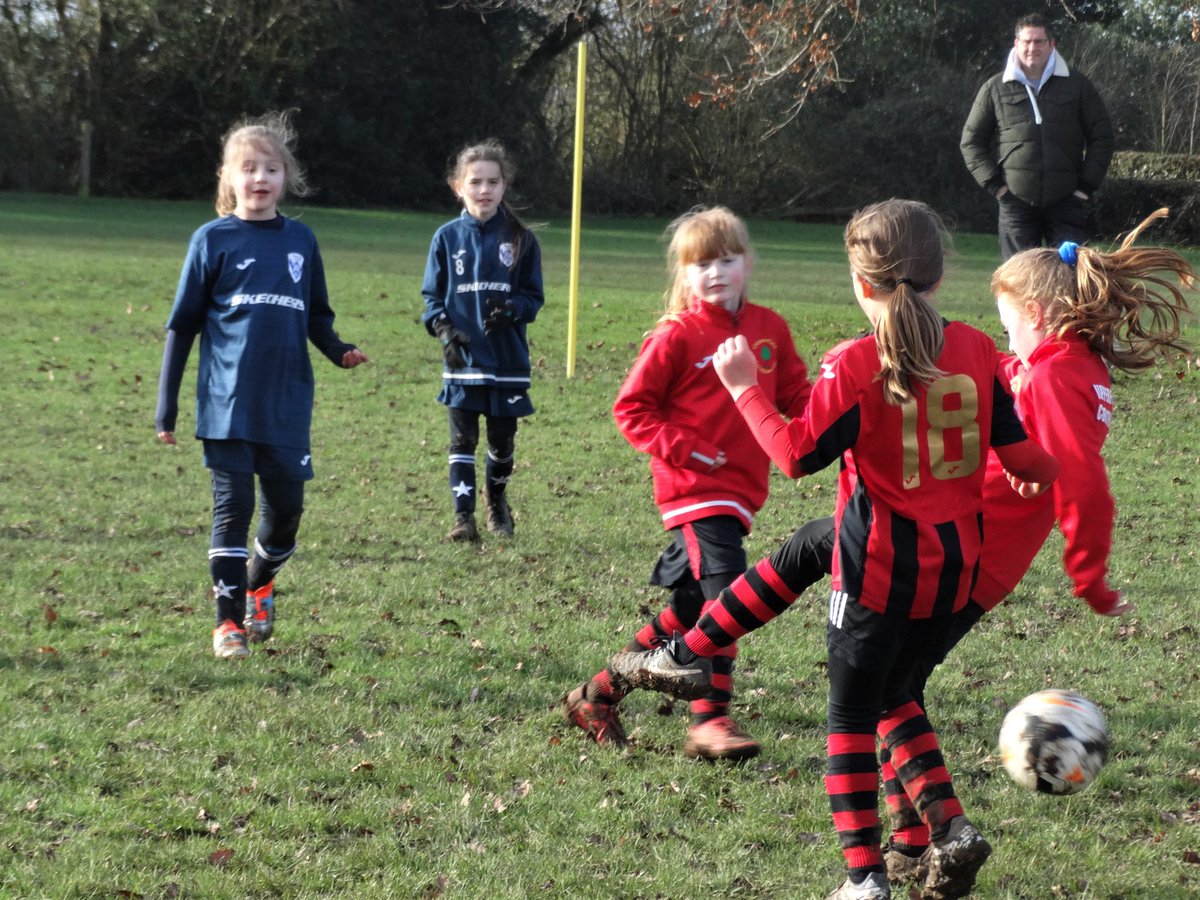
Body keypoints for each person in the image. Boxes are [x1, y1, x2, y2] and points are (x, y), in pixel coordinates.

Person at [613, 199, 1060, 899]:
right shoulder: (977, 349)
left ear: (859, 282)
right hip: (954, 571)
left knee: (851, 718)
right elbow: (1032, 461)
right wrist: (1039, 464)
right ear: (940, 276)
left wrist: (743, 389)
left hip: (878, 571)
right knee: (894, 690)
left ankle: (865, 878)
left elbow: (795, 455)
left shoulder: (856, 362)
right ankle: (948, 830)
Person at [561, 206, 812, 761]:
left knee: (693, 605)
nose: (716, 272)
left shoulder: (770, 329)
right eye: (702, 264)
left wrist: (840, 414)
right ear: (684, 273)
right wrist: (689, 449)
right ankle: (709, 722)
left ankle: (598, 694)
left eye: (727, 259)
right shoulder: (676, 335)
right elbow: (631, 409)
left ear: (748, 263)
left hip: (743, 491)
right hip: (693, 490)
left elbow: (797, 395)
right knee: (728, 599)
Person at [155, 111, 369, 660]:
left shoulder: (301, 240)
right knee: (232, 509)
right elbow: (183, 326)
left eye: (271, 169)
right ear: (228, 177)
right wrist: (166, 408)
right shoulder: (212, 240)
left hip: (287, 404)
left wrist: (338, 350)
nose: (259, 178)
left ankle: (259, 583)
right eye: (248, 168)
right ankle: (227, 624)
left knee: (286, 516)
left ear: (285, 177)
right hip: (226, 404)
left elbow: (316, 316)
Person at [421, 139, 544, 543]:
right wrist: (444, 329)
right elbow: (431, 298)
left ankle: (497, 500)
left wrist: (513, 310)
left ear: (504, 185)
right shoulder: (445, 238)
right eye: (475, 182)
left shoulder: (521, 238)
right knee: (462, 440)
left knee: (502, 442)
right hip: (464, 360)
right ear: (458, 186)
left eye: (493, 181)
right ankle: (463, 518)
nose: (484, 189)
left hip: (507, 360)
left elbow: (533, 297)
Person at [960, 12, 1114, 261]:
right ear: (1016, 44)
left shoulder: (1078, 85)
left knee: (1072, 278)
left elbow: (1102, 137)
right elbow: (971, 142)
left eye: (1039, 41)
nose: (1032, 48)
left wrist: (1085, 187)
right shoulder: (995, 88)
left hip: (1067, 204)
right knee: (1018, 280)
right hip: (1015, 205)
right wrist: (998, 188)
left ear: (1051, 44)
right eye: (1027, 41)